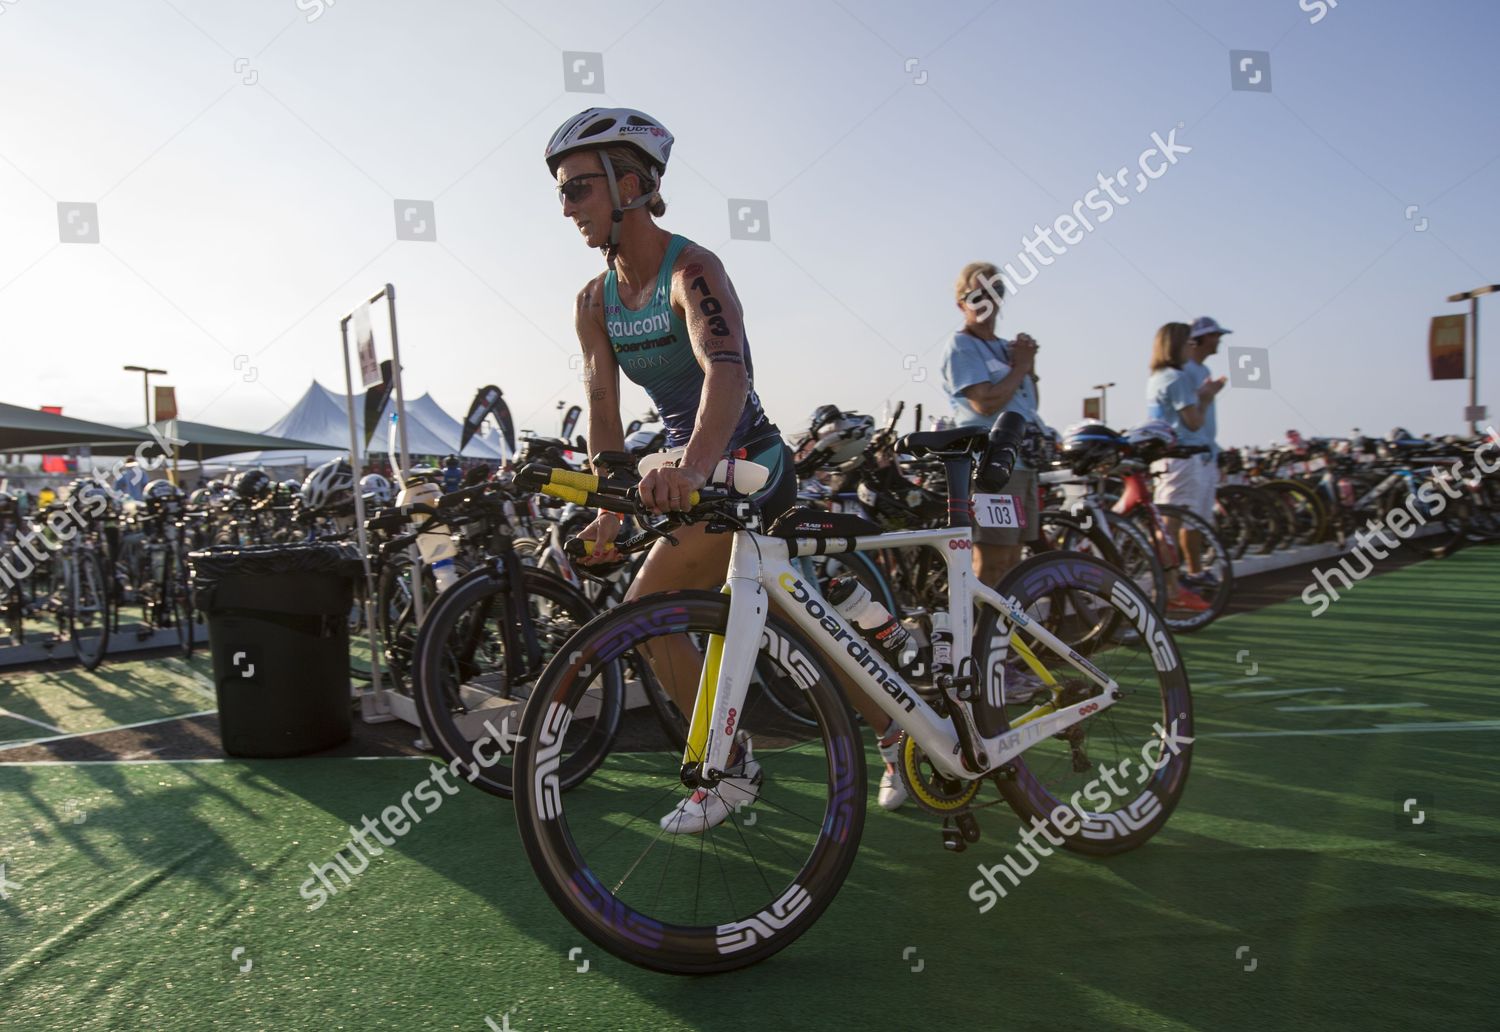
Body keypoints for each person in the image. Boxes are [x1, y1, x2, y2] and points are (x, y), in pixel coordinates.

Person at [549, 107, 899, 831]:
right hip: (695, 467)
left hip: (749, 459)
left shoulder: (693, 268)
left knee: (649, 611)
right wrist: (610, 509)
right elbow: (604, 413)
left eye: (579, 187)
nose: (566, 206)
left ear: (634, 185)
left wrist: (693, 465)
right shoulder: (593, 302)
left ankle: (732, 766)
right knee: (798, 627)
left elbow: (727, 375)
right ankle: (889, 733)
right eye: (561, 190)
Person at [1145, 322, 1226, 611]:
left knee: (1168, 525)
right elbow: (1194, 421)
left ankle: (1170, 586)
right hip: (1181, 456)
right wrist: (1206, 397)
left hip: (1169, 456)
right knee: (1169, 525)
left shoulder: (1158, 376)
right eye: (1188, 343)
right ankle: (1169, 589)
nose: (1191, 348)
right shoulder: (1176, 378)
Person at [1178, 317, 1229, 590]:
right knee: (1188, 519)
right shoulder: (1185, 370)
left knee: (1198, 518)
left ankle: (1195, 573)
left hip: (1205, 452)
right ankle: (1189, 575)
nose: (1218, 340)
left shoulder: (1202, 368)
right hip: (1189, 454)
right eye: (1214, 335)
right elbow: (1187, 413)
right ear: (1200, 338)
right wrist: (1206, 395)